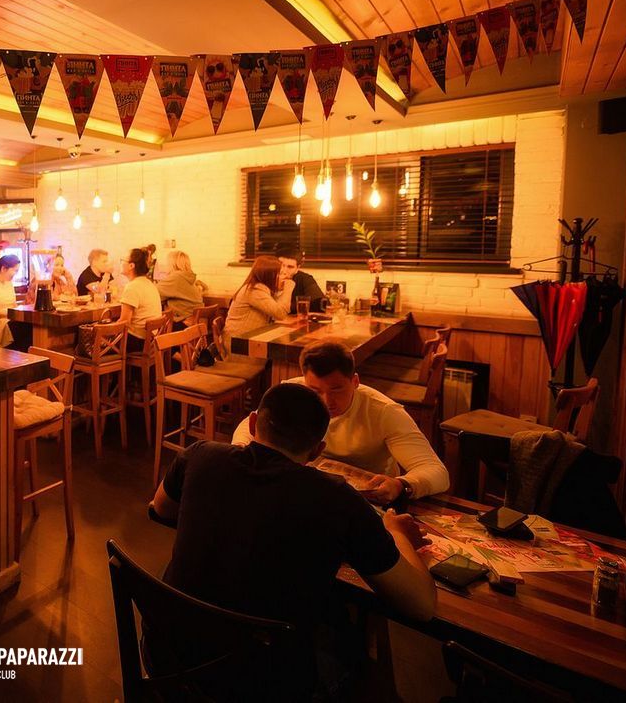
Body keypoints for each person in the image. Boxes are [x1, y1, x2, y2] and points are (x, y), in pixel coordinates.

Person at [151, 384, 435, 695]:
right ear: (317, 450)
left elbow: (160, 508)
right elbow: (421, 605)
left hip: (165, 653)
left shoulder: (200, 455)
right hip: (261, 684)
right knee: (355, 649)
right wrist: (396, 532)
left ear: (253, 423)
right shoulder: (338, 499)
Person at [232, 341, 450, 501]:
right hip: (309, 490)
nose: (326, 401)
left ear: (355, 381)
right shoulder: (295, 394)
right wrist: (243, 452)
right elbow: (249, 425)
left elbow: (436, 471)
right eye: (315, 390)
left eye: (336, 389)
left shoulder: (383, 411)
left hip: (367, 501)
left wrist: (402, 485)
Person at [222, 255, 290, 338]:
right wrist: (288, 288)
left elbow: (278, 309)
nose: (286, 276)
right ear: (269, 275)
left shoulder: (260, 288)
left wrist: (280, 289)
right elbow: (280, 314)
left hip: (247, 338)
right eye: (281, 273)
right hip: (238, 341)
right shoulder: (255, 290)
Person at [117, 248, 163, 352]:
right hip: (151, 339)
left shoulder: (132, 287)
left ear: (131, 266)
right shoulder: (149, 283)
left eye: (122, 260)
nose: (121, 263)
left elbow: (124, 322)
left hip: (138, 341)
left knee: (92, 345)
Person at [157, 250, 205, 324]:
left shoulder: (177, 277)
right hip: (196, 323)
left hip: (184, 323)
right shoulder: (188, 276)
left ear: (173, 264)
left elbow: (153, 293)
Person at [275, 245, 327, 314]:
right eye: (280, 265)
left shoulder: (304, 278)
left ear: (297, 269)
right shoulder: (264, 276)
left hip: (291, 319)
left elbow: (321, 304)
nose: (283, 270)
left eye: (290, 267)